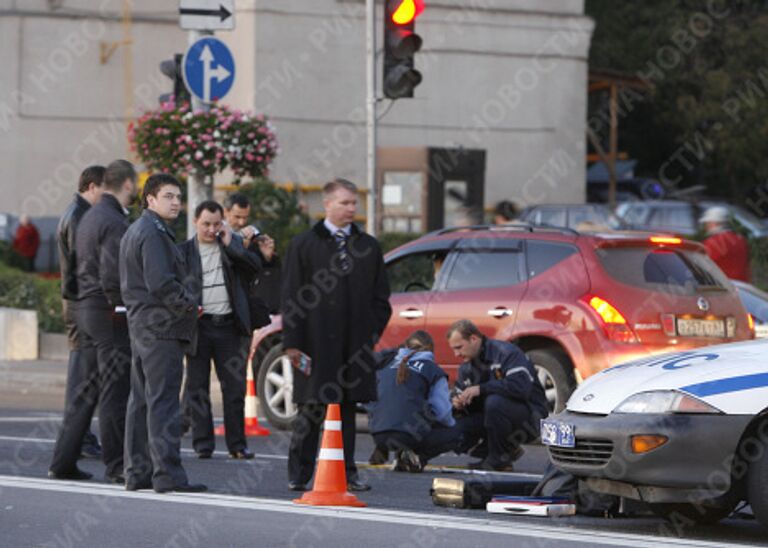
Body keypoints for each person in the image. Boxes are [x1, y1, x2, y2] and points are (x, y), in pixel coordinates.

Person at [282, 178, 392, 492]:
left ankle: (347, 471)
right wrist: (292, 343)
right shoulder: (304, 244)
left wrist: (369, 333)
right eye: (344, 203)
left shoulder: (367, 246)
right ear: (327, 204)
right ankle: (299, 472)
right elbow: (291, 297)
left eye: (354, 203)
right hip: (315, 343)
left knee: (346, 408)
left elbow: (380, 298)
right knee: (311, 406)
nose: (351, 209)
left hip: (354, 344)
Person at [119, 173, 206, 493]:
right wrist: (189, 305)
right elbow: (160, 283)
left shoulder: (137, 229)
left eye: (179, 197)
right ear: (150, 199)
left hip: (143, 326)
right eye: (168, 196)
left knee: (141, 401)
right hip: (161, 328)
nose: (176, 203)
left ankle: (137, 473)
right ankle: (167, 475)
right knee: (164, 403)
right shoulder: (153, 233)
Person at [59, 159, 136, 484]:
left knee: (85, 391)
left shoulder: (88, 216)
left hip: (84, 309)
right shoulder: (113, 220)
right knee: (114, 391)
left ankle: (61, 463)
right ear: (128, 184)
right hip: (106, 312)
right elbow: (111, 273)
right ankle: (117, 465)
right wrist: (124, 304)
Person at [179, 200, 263, 460]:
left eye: (216, 224)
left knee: (235, 388)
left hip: (229, 326)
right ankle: (203, 444)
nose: (211, 229)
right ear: (195, 222)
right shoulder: (183, 252)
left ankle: (237, 445)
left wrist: (230, 243)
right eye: (206, 224)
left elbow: (254, 269)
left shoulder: (231, 246)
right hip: (199, 327)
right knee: (197, 387)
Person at [48, 166, 104, 480]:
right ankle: (79, 439)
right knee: (81, 373)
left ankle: (80, 438)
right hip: (80, 304)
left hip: (76, 302)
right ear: (92, 186)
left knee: (81, 371)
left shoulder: (76, 211)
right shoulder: (80, 215)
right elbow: (81, 265)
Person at [447, 319, 548, 471]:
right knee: (456, 422)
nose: (456, 354)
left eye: (459, 347)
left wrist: (481, 389)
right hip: (497, 415)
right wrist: (457, 402)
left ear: (474, 339)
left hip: (530, 416)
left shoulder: (506, 353)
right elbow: (461, 394)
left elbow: (521, 388)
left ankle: (499, 459)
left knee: (495, 402)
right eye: (453, 349)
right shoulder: (466, 368)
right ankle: (499, 449)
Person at [368, 330, 461, 472]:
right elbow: (442, 412)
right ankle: (417, 457)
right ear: (430, 349)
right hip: (408, 435)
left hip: (378, 433)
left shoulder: (385, 365)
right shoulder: (432, 370)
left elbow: (371, 403)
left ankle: (385, 448)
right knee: (456, 432)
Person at [700, 206, 751, 282]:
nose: (706, 227)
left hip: (723, 287)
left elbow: (701, 266)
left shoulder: (711, 243)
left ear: (715, 223)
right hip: (743, 287)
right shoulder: (740, 240)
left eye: (708, 223)